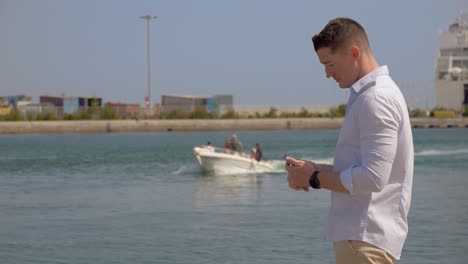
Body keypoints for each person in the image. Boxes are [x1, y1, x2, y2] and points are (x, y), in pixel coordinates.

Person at [285, 17, 414, 264]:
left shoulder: (376, 98)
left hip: (363, 239)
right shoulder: (373, 94)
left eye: (330, 64)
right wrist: (312, 171)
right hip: (364, 239)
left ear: (354, 52)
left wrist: (314, 179)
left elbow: (373, 178)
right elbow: (365, 169)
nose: (327, 74)